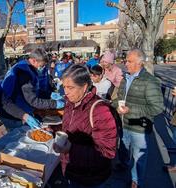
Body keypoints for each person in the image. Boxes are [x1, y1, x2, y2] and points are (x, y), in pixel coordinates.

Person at [53, 64, 117, 187]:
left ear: (84, 87)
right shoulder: (72, 102)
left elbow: (107, 152)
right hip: (72, 170)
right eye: (64, 87)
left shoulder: (100, 110)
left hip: (90, 178)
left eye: (70, 87)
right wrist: (53, 130)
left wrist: (71, 149)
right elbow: (70, 126)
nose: (66, 92)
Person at [113, 49, 163, 188]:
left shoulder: (150, 81)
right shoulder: (125, 78)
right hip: (124, 125)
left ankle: (136, 181)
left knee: (138, 158)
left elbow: (157, 108)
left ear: (139, 63)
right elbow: (120, 98)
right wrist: (115, 105)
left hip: (139, 129)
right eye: (126, 61)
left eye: (129, 61)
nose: (125, 64)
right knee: (122, 150)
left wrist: (131, 110)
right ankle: (123, 167)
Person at [0, 48, 65, 131]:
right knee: (18, 137)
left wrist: (50, 94)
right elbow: (33, 100)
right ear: (34, 61)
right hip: (12, 113)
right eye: (41, 66)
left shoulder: (27, 68)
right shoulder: (24, 73)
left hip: (19, 110)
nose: (42, 68)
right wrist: (54, 104)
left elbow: (34, 90)